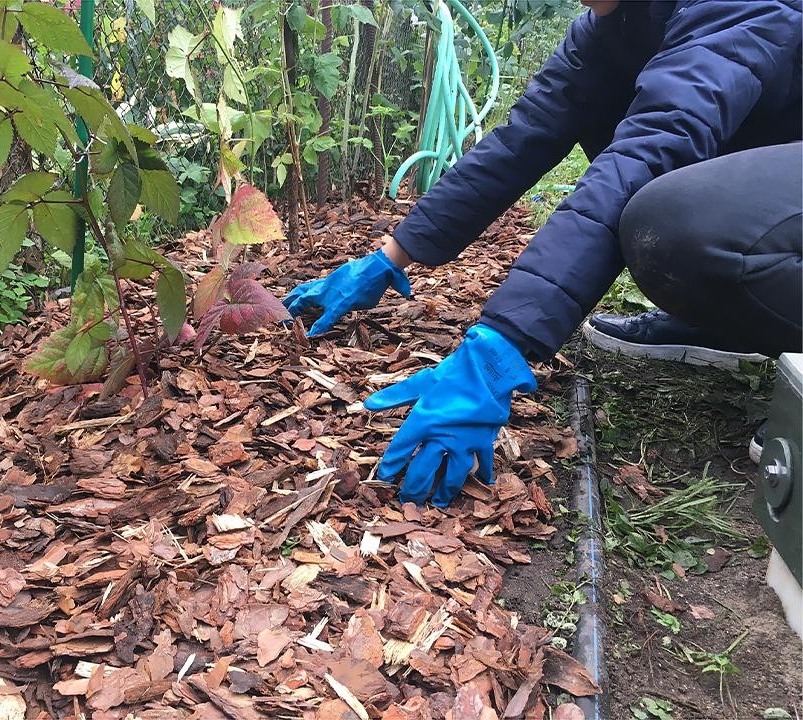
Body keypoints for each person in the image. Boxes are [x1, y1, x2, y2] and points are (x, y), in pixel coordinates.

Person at [283, 0, 803, 507]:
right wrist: (390, 256)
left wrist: (503, 344)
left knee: (674, 224)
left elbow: (655, 146)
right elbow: (518, 143)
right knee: (659, 211)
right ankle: (722, 324)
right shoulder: (608, 30)